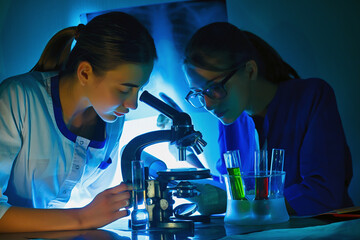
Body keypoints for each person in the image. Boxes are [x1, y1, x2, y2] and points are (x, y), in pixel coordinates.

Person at [0, 12, 157, 232]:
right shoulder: (17, 98)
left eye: (138, 89)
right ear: (85, 73)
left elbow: (95, 197)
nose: (133, 104)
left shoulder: (111, 120)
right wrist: (83, 218)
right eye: (124, 89)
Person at [182, 22, 353, 216]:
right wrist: (189, 162)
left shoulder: (312, 97)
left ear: (250, 70)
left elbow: (322, 194)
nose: (208, 105)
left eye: (214, 88)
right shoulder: (230, 117)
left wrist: (238, 204)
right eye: (198, 93)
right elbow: (234, 188)